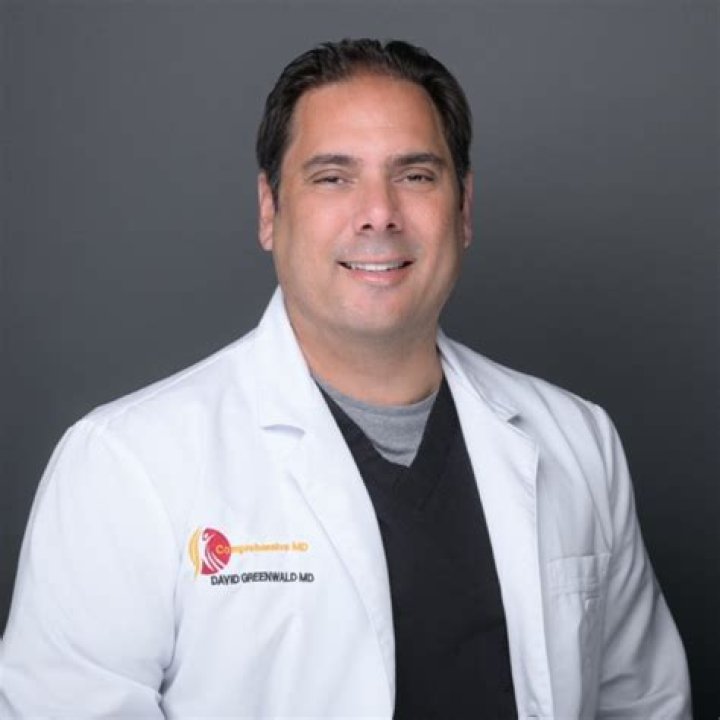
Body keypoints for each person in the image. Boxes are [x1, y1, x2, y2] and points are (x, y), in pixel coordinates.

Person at [0, 38, 691, 718]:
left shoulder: (578, 440)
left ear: (464, 209)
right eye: (333, 177)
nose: (378, 212)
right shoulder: (126, 465)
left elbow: (644, 704)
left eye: (415, 175)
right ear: (269, 210)